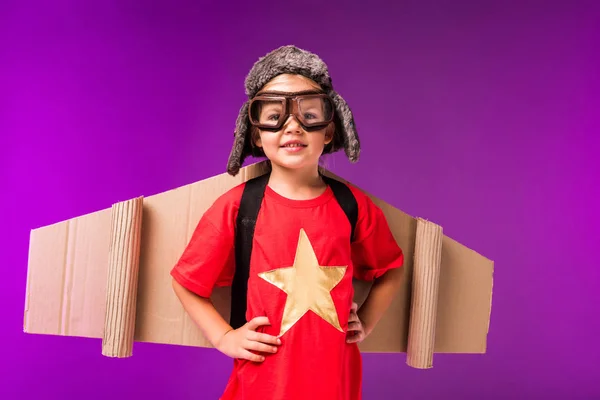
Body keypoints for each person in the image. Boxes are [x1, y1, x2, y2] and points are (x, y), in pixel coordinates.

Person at [170, 45, 404, 400]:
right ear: (256, 134)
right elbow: (186, 282)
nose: (293, 126)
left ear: (329, 131)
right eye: (276, 116)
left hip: (335, 384)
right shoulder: (237, 207)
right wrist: (223, 337)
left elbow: (392, 267)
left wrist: (367, 320)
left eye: (309, 115)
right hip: (261, 387)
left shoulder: (353, 206)